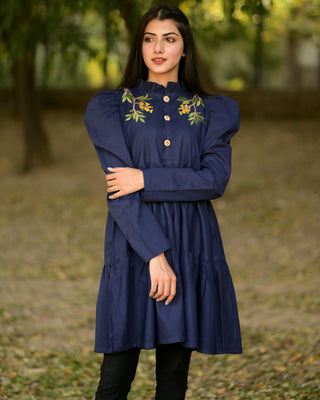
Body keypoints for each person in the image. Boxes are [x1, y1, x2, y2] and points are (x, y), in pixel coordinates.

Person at [84, 3, 242, 399]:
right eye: (149, 39)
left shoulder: (210, 111)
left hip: (191, 244)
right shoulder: (112, 108)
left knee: (173, 380)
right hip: (133, 245)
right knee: (114, 379)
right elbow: (119, 192)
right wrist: (156, 256)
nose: (158, 48)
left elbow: (213, 180)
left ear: (185, 48)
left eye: (169, 39)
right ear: (139, 47)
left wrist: (145, 178)